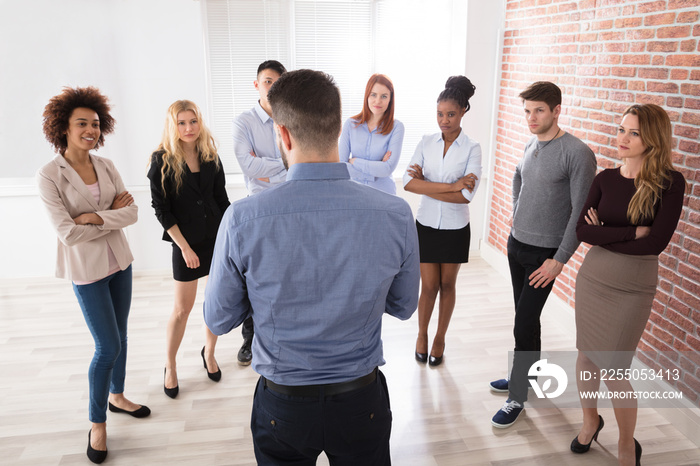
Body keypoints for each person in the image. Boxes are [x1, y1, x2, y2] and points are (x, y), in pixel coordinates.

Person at [204, 69, 420, 465]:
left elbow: (218, 319)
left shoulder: (242, 219)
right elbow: (404, 307)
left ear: (282, 135)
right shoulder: (396, 214)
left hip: (283, 405)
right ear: (338, 130)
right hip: (361, 399)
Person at [37, 86, 150, 464]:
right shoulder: (50, 175)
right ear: (63, 127)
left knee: (122, 334)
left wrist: (92, 217)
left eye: (96, 124)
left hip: (120, 262)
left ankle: (117, 395)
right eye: (82, 123)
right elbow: (67, 232)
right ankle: (97, 423)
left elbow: (132, 214)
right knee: (107, 346)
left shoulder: (106, 166)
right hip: (86, 270)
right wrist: (108, 217)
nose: (90, 130)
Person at [572, 104, 685, 466]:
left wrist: (603, 232)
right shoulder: (604, 178)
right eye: (621, 129)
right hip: (594, 278)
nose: (622, 138)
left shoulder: (669, 182)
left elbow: (656, 244)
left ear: (651, 138)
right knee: (587, 356)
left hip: (633, 286)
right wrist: (629, 231)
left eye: (633, 132)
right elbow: (582, 231)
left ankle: (625, 443)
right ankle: (591, 420)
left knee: (616, 368)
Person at [489, 81, 597, 428]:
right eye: (527, 111)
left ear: (556, 111)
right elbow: (518, 176)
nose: (531, 118)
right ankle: (528, 376)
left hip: (544, 255)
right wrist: (517, 211)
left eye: (538, 111)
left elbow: (580, 213)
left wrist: (559, 260)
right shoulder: (530, 143)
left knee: (523, 322)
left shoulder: (577, 153)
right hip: (516, 243)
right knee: (526, 319)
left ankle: (518, 395)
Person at [147, 100, 230, 398]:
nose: (189, 128)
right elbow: (162, 210)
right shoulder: (161, 160)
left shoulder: (210, 155)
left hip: (215, 239)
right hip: (186, 244)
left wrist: (229, 238)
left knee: (215, 304)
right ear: (173, 125)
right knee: (182, 310)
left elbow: (222, 201)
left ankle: (209, 353)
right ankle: (170, 365)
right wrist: (183, 247)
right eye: (182, 123)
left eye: (193, 121)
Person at [403, 76, 482, 366]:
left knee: (448, 285)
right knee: (429, 286)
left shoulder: (472, 148)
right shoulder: (426, 142)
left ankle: (440, 337)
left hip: (455, 228)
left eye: (450, 114)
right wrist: (451, 186)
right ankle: (422, 334)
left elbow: (466, 196)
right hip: (425, 225)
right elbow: (409, 183)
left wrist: (431, 185)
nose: (444, 120)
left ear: (463, 112)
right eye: (439, 114)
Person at [231, 59, 287, 366]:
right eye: (267, 81)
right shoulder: (243, 122)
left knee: (283, 276)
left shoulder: (290, 119)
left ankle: (280, 334)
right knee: (255, 278)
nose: (271, 87)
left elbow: (298, 164)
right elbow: (249, 167)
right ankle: (250, 339)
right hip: (258, 212)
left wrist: (269, 171)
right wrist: (283, 167)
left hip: (289, 207)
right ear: (257, 85)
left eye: (277, 83)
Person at [339, 73, 405, 194]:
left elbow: (387, 169)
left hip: (384, 194)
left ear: (390, 99)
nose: (378, 101)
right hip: (354, 192)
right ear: (367, 96)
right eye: (373, 95)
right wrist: (377, 167)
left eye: (384, 96)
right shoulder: (350, 124)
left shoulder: (397, 128)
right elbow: (341, 167)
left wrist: (354, 161)